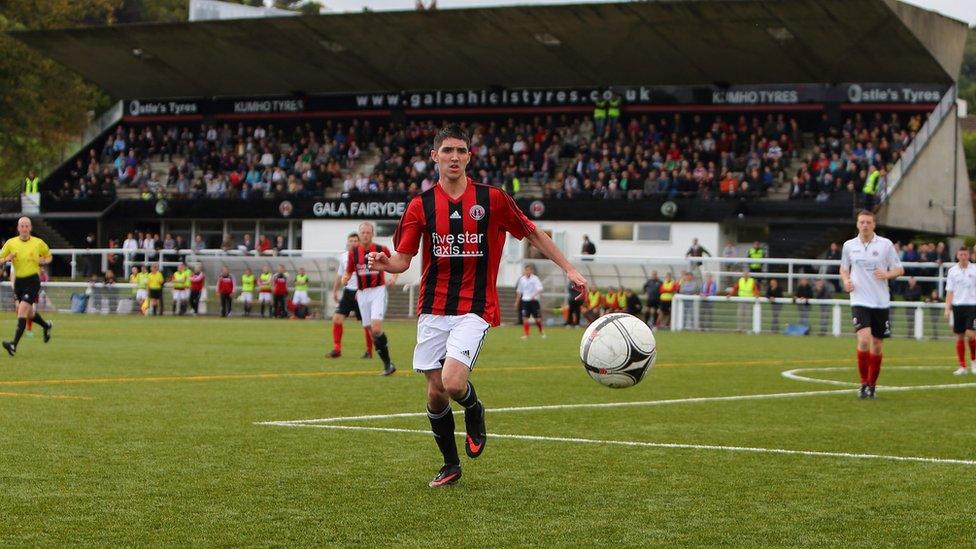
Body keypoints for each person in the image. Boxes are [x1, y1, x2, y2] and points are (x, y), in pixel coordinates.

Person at [369, 124, 587, 487]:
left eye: (460, 151)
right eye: (447, 151)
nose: (454, 157)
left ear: (469, 156)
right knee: (435, 391)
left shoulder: (493, 199)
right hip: (433, 308)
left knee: (454, 383)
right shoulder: (419, 206)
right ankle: (450, 464)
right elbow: (402, 260)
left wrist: (569, 269)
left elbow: (532, 233)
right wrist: (383, 263)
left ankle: (473, 407)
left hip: (475, 306)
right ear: (434, 156)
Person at [840, 210, 904, 399]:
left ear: (874, 225)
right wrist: (846, 281)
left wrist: (887, 274)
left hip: (880, 301)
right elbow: (844, 269)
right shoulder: (849, 246)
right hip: (859, 299)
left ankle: (872, 385)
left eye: (868, 222)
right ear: (857, 224)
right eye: (862, 222)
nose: (865, 225)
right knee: (864, 340)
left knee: (877, 345)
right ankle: (862, 384)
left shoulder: (885, 245)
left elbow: (899, 269)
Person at [341, 221, 397, 375]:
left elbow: (394, 262)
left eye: (368, 232)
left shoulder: (381, 249)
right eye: (363, 232)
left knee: (376, 328)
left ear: (372, 234)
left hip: (378, 290)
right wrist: (344, 279)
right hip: (362, 293)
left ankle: (387, 364)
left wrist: (394, 277)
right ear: (359, 235)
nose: (365, 235)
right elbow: (349, 272)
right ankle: (388, 364)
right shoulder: (354, 252)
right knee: (372, 332)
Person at [1, 217, 54, 356]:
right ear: (18, 228)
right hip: (19, 282)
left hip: (32, 281)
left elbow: (49, 256)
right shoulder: (11, 243)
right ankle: (46, 325)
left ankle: (13, 345)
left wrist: (44, 260)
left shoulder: (38, 243)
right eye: (22, 226)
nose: (24, 228)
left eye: (27, 226)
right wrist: (6, 259)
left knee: (22, 310)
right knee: (29, 313)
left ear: (30, 228)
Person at [329, 233, 373, 358]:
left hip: (361, 292)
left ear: (359, 242)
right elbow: (340, 275)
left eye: (355, 240)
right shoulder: (343, 257)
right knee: (337, 318)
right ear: (348, 242)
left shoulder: (365, 255)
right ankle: (337, 349)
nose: (353, 243)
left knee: (366, 323)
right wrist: (334, 291)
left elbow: (370, 274)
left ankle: (369, 351)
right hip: (348, 292)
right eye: (351, 241)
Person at [943, 247, 976, 375]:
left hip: (972, 305)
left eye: (965, 254)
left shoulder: (974, 269)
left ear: (969, 256)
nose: (963, 256)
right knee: (960, 335)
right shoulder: (952, 271)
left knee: (970, 333)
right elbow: (950, 291)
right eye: (961, 254)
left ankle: (974, 362)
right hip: (957, 306)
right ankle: (962, 367)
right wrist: (947, 308)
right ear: (957, 255)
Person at [515, 264, 545, 339]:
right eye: (526, 270)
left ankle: (541, 332)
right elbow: (519, 291)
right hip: (525, 301)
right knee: (525, 318)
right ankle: (526, 334)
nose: (527, 271)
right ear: (524, 271)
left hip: (534, 301)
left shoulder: (535, 278)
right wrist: (517, 301)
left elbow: (540, 288)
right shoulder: (522, 279)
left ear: (532, 271)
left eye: (529, 270)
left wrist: (534, 295)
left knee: (537, 319)